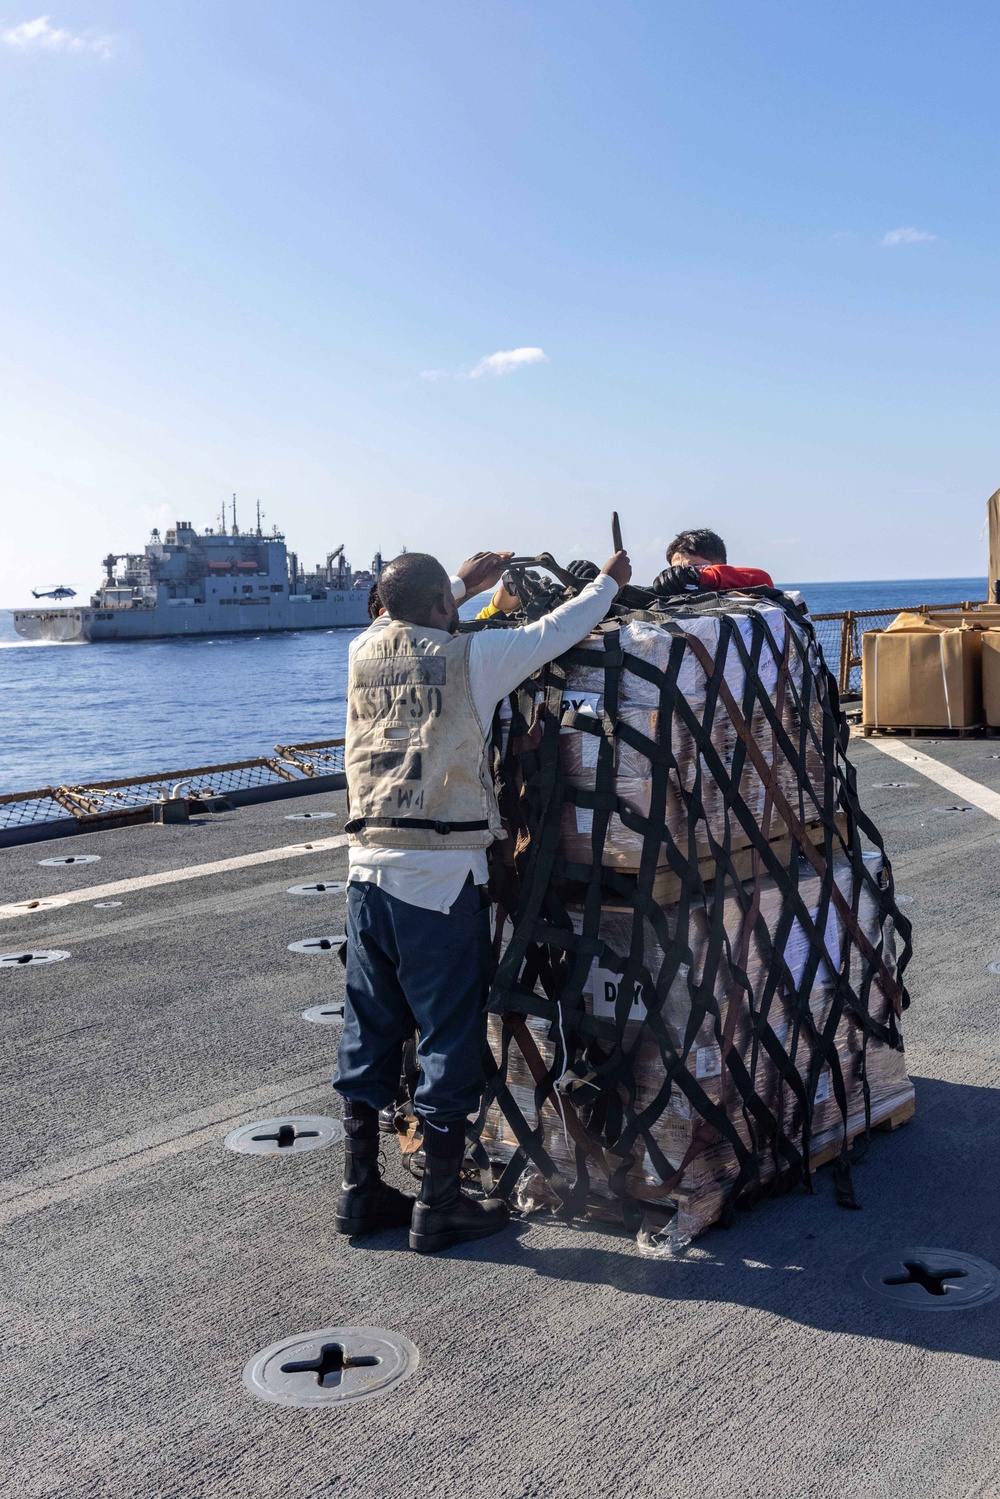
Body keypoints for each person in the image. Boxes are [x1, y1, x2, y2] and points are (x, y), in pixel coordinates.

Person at [334, 544, 632, 1253]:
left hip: (366, 870)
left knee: (370, 1026)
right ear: (443, 608)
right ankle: (439, 1204)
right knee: (448, 1032)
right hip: (437, 875)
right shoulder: (475, 660)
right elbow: (557, 630)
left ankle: (357, 1191)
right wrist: (607, 584)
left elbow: (404, 613)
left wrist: (463, 584)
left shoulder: (360, 651)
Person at [651, 528, 774, 598]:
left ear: (721, 565)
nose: (682, 575)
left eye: (694, 567)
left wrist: (701, 577)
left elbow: (762, 578)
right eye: (677, 570)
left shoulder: (739, 582)